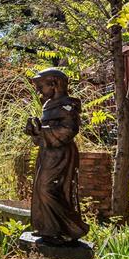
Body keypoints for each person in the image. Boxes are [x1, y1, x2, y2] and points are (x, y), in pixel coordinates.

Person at [24, 68, 90, 243]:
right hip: (47, 153)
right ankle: (49, 229)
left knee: (48, 189)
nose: (38, 91)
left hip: (61, 155)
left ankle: (72, 229)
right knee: (41, 188)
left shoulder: (68, 105)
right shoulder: (48, 105)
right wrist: (34, 131)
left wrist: (43, 131)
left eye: (41, 87)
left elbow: (69, 130)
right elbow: (44, 134)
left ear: (54, 84)